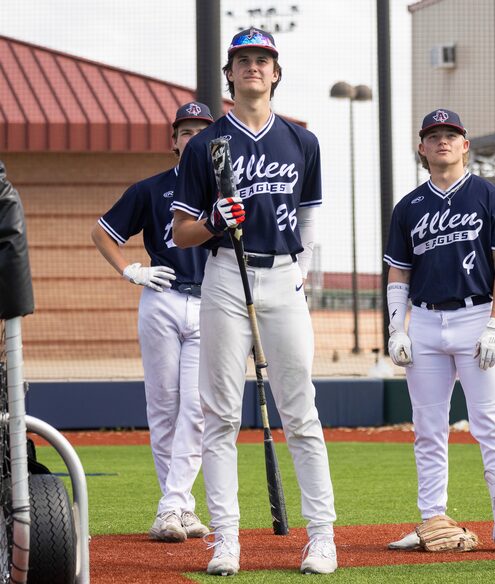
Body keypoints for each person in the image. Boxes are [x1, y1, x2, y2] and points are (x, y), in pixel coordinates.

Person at [171, 27, 337, 576]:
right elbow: (180, 232)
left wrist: (304, 272)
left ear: (276, 71)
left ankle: (321, 537)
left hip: (284, 276)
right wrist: (214, 221)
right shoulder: (204, 144)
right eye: (242, 60)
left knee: (301, 411)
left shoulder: (302, 141)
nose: (253, 68)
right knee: (218, 414)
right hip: (224, 276)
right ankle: (225, 540)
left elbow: (310, 217)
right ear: (230, 74)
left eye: (262, 59)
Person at [383, 109, 495, 554]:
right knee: (428, 428)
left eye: (451, 134)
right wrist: (397, 327)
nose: (442, 141)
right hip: (424, 322)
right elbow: (398, 273)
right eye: (433, 135)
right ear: (422, 148)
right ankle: (432, 521)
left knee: (490, 424)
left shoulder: (488, 196)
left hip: (476, 316)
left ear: (465, 145)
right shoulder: (408, 207)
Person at [91, 101, 215, 542]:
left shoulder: (225, 192)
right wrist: (130, 270)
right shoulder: (149, 189)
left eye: (202, 130)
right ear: (174, 141)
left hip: (210, 305)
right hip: (161, 298)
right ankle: (178, 510)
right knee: (163, 406)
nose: (193, 137)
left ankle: (172, 504)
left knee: (196, 408)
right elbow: (102, 232)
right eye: (186, 131)